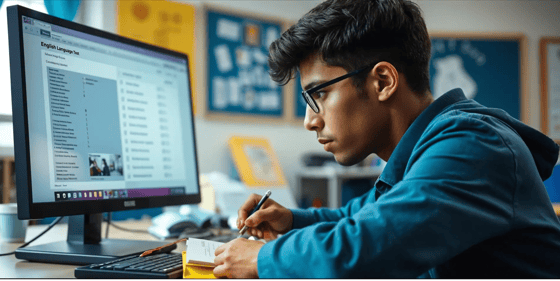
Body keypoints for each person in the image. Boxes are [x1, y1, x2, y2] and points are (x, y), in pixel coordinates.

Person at [213, 0, 560, 278]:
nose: (310, 121)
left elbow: (366, 248)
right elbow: (362, 217)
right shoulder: (420, 154)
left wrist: (263, 259)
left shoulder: (472, 145)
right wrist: (291, 220)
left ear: (382, 82)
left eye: (317, 94)